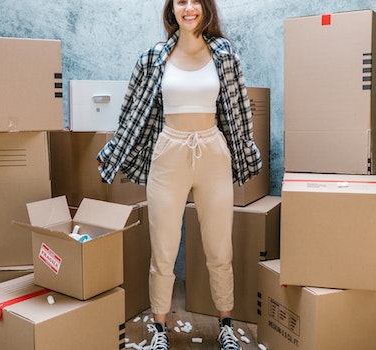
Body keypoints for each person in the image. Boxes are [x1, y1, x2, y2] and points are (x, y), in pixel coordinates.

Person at [97, 0, 261, 349]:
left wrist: (245, 151)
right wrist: (113, 152)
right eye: (180, 2)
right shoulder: (152, 58)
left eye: (195, 1)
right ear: (171, 9)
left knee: (220, 248)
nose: (188, 8)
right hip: (168, 153)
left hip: (212, 152)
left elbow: (240, 111)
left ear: (205, 8)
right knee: (164, 250)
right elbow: (131, 114)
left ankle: (226, 325)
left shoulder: (225, 55)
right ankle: (159, 329)